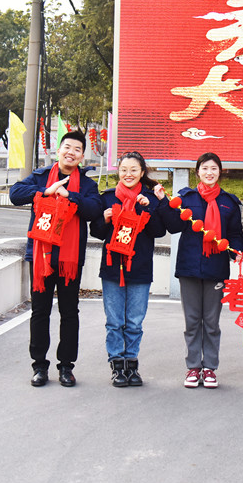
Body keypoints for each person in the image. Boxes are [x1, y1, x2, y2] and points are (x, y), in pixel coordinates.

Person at [9, 130, 103, 388]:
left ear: (82, 156)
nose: (71, 152)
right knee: (40, 311)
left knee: (69, 311)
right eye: (67, 147)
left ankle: (66, 367)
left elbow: (93, 210)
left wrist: (69, 195)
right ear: (58, 151)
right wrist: (46, 191)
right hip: (41, 255)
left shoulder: (87, 185)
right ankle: (39, 366)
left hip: (69, 258)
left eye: (77, 149)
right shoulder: (40, 176)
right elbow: (15, 194)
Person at [164, 152, 243, 389]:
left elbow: (235, 235)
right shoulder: (186, 198)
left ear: (220, 172)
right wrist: (167, 205)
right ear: (197, 171)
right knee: (191, 321)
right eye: (205, 168)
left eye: (214, 168)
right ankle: (193, 367)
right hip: (189, 268)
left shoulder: (229, 202)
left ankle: (209, 368)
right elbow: (172, 226)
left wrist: (237, 251)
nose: (209, 172)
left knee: (211, 322)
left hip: (216, 269)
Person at [89, 151, 169, 387]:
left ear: (142, 172)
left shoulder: (149, 198)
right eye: (124, 170)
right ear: (118, 172)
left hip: (140, 268)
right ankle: (117, 366)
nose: (128, 174)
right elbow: (96, 231)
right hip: (113, 268)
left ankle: (131, 365)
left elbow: (159, 231)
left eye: (134, 170)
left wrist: (148, 209)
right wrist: (104, 219)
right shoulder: (108, 198)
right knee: (114, 321)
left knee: (134, 322)